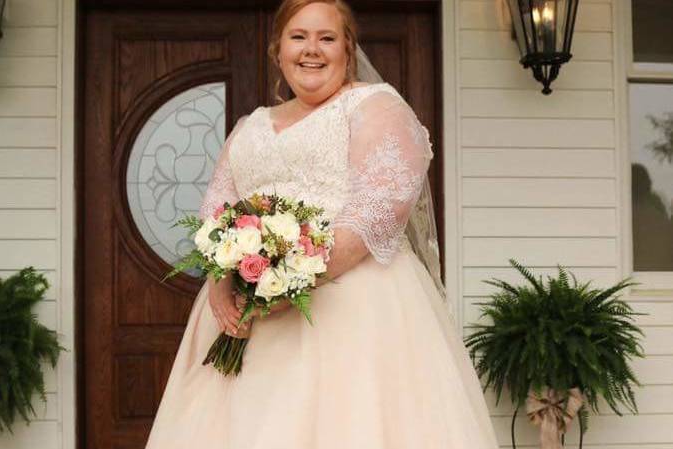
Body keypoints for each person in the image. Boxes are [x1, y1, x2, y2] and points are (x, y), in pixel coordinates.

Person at [144, 1, 500, 448]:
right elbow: (217, 208)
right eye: (298, 37)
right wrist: (221, 281)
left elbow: (380, 205)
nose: (312, 49)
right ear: (278, 50)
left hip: (353, 310)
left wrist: (292, 280)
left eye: (327, 38)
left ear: (348, 50)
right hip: (246, 317)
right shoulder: (250, 126)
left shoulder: (375, 106)